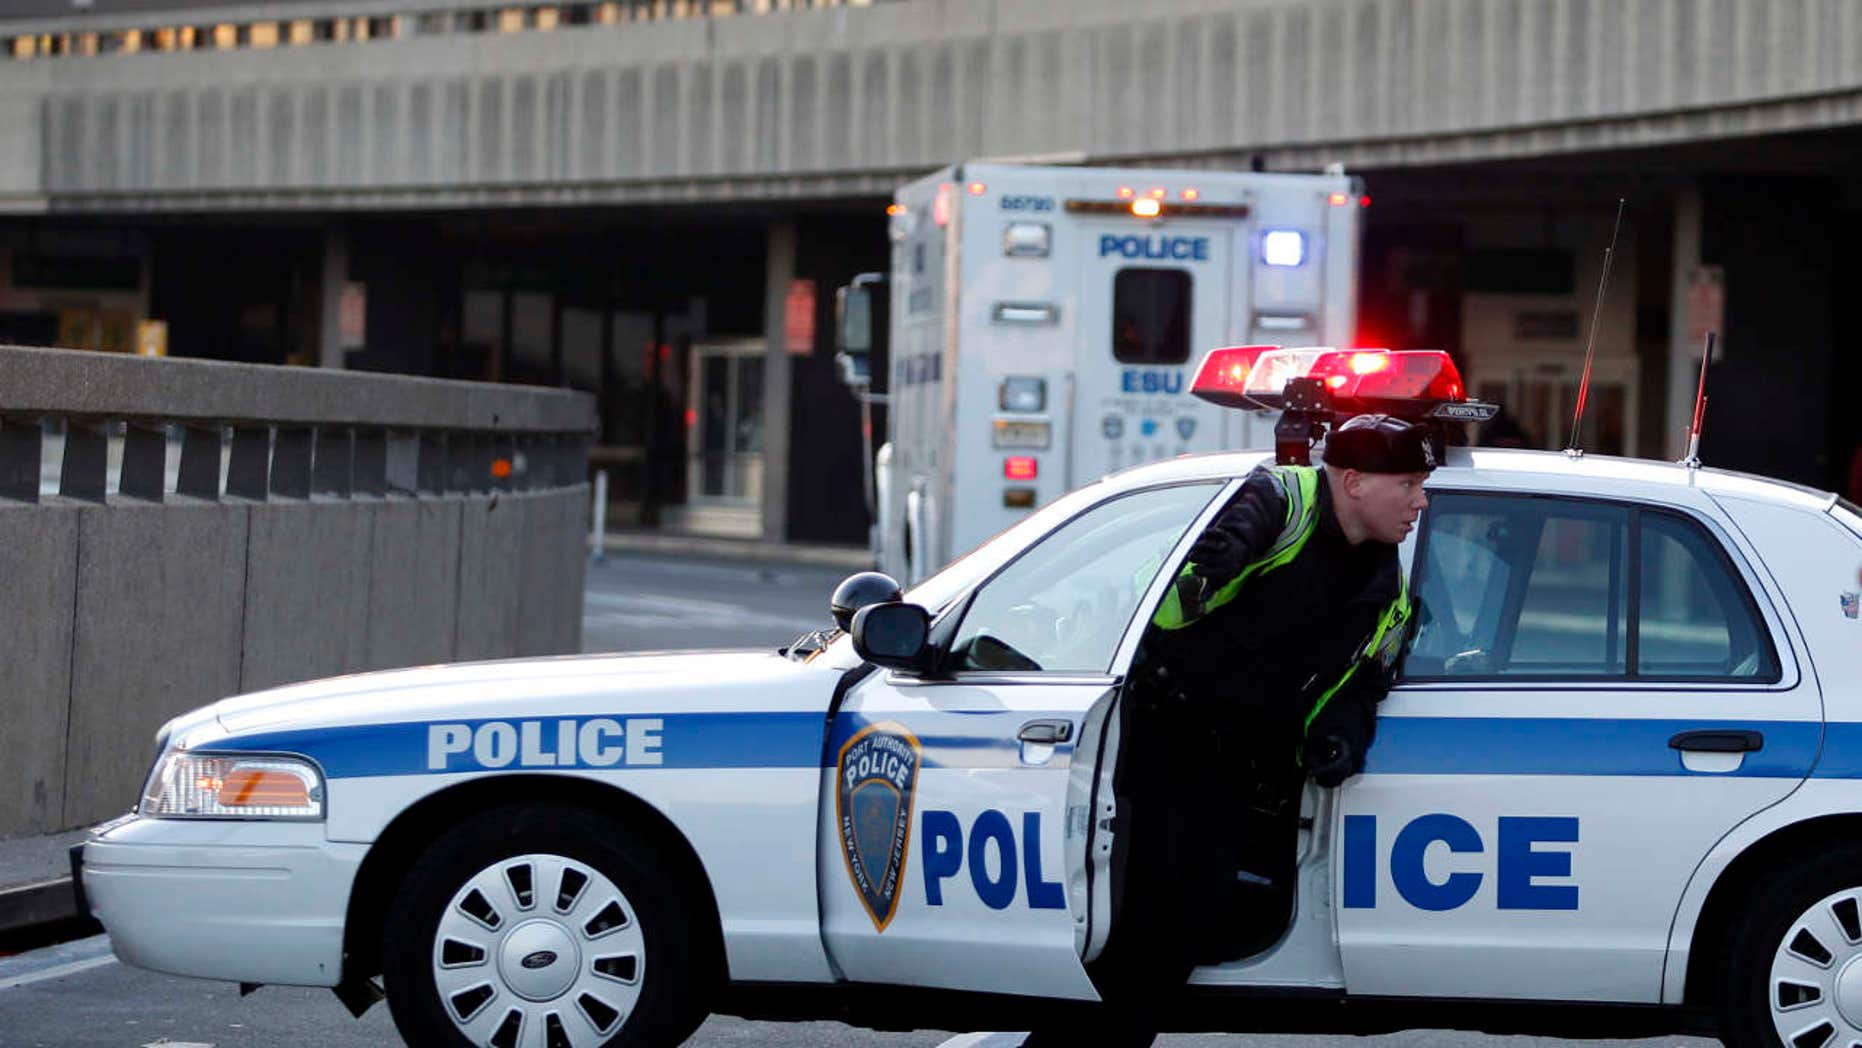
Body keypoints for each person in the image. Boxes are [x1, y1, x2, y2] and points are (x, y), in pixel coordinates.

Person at [1020, 413, 1432, 1047]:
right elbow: (1168, 604)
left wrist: (1340, 736)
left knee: (1188, 920)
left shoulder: (1388, 586)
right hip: (1154, 738)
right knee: (1137, 920)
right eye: (1407, 484)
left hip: (1235, 765)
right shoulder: (1275, 502)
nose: (1420, 501)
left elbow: (1365, 680)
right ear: (1353, 481)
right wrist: (1214, 558)